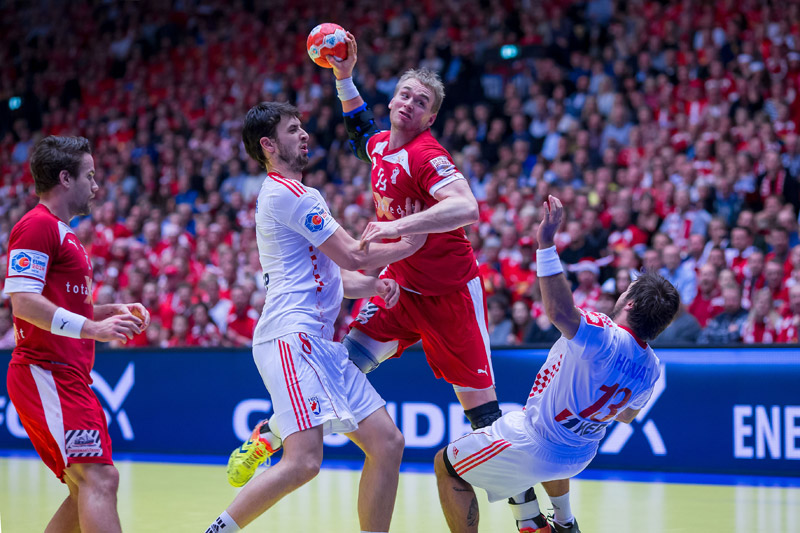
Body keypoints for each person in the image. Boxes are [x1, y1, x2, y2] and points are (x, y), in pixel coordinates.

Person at [206, 102, 426, 533]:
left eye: (302, 127)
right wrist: (411, 240)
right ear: (269, 146)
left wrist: (374, 286)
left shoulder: (292, 194)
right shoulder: (289, 194)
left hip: (319, 346)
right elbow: (351, 254)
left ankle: (269, 434)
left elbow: (334, 276)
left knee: (388, 443)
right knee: (304, 461)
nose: (304, 134)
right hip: (291, 338)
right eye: (292, 130)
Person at [434, 196, 679, 533]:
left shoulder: (605, 335)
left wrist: (546, 245)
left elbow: (560, 312)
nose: (622, 292)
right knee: (531, 426)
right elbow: (625, 416)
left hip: (536, 443)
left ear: (630, 304)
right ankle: (562, 521)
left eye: (628, 290)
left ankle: (542, 520)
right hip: (579, 454)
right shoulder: (652, 366)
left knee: (446, 465)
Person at [330, 32, 504, 438]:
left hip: (451, 295)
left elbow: (467, 208)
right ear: (392, 101)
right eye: (405, 95)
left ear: (430, 119)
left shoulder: (426, 155)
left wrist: (397, 226)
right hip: (400, 288)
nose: (410, 103)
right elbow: (360, 132)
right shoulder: (380, 148)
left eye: (421, 102)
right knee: (339, 370)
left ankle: (518, 486)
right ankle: (273, 438)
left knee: (484, 419)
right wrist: (344, 76)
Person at [4, 136, 150, 533]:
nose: (96, 185)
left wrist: (110, 310)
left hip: (66, 374)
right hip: (45, 371)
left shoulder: (63, 232)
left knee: (82, 487)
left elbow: (61, 305)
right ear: (65, 179)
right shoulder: (36, 226)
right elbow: (23, 303)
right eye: (90, 176)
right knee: (99, 478)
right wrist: (93, 327)